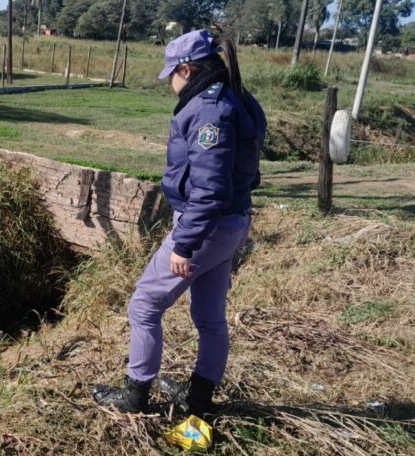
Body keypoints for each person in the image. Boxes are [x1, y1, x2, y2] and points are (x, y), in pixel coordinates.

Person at [91, 30, 266, 417]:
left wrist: (185, 244)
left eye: (172, 74)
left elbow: (209, 189)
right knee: (209, 318)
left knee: (144, 305)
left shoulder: (209, 110)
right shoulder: (240, 97)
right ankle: (199, 397)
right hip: (232, 223)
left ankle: (136, 395)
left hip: (205, 228)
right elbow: (247, 172)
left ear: (186, 69)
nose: (171, 84)